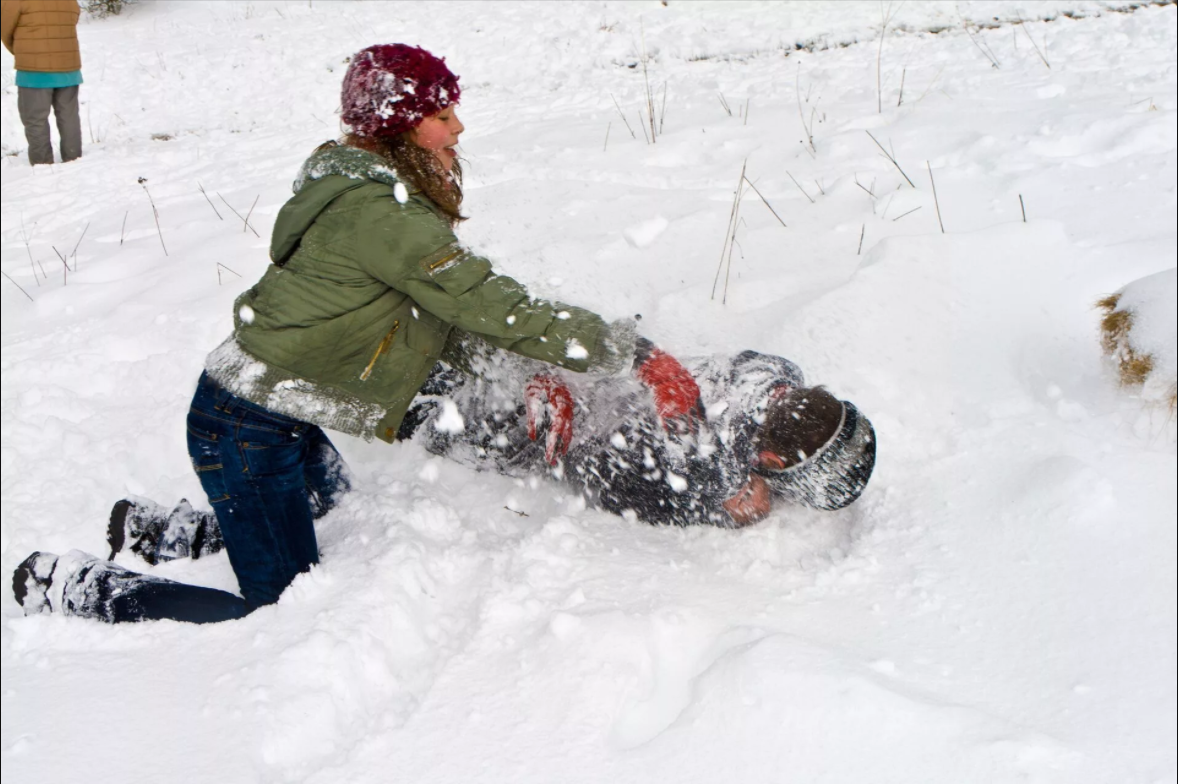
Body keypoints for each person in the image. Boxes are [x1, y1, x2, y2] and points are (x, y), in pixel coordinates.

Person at [10, 43, 705, 624]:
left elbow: (443, 317)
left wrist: (532, 372)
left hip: (279, 409)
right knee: (278, 606)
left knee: (330, 509)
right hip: (245, 425)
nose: (458, 128)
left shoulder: (371, 193)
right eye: (442, 115)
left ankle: (166, 532)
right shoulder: (383, 215)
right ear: (398, 126)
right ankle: (81, 587)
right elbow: (499, 308)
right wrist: (635, 354)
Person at [90, 341, 877, 574]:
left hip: (505, 398)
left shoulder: (745, 424)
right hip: (505, 394)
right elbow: (603, 474)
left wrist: (555, 398)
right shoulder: (738, 429)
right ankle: (195, 530)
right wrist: (717, 502)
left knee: (350, 488)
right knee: (350, 428)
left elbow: (607, 469)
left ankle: (185, 533)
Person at [1, 0, 84, 165]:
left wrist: (22, 51)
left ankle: (42, 164)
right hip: (68, 66)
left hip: (34, 70)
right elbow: (70, 20)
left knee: (35, 119)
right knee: (69, 116)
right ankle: (73, 159)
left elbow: (4, 28)